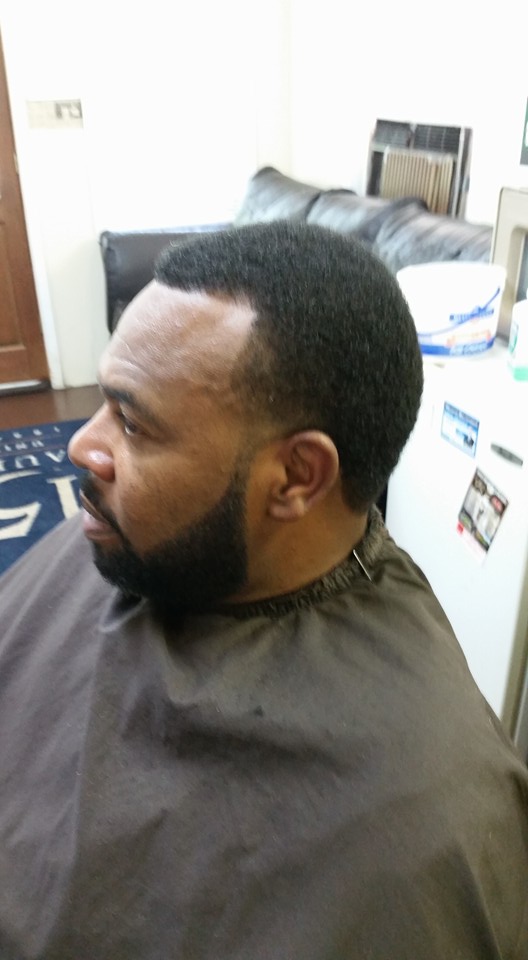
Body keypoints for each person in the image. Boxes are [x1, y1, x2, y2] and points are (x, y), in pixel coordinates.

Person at [0, 221, 526, 960]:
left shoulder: (425, 823)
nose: (82, 446)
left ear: (297, 477)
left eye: (132, 423)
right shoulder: (129, 539)